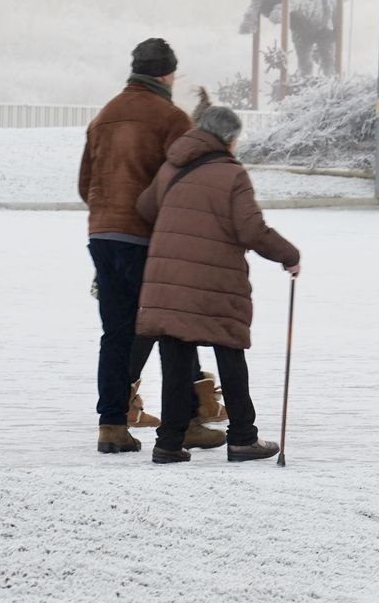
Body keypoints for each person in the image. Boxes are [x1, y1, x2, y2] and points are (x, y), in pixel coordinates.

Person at [79, 38, 227, 454]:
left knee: (116, 334)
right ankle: (189, 422)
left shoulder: (104, 116)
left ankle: (111, 425)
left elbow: (84, 183)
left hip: (102, 236)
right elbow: (183, 184)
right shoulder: (171, 118)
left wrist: (107, 217)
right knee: (174, 327)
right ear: (167, 74)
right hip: (147, 238)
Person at [136, 106, 301, 464]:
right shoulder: (231, 174)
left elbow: (145, 207)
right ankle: (242, 437)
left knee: (175, 363)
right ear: (230, 139)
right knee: (229, 353)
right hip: (215, 281)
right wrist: (289, 254)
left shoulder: (171, 166)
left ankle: (168, 443)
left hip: (167, 281)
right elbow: (251, 229)